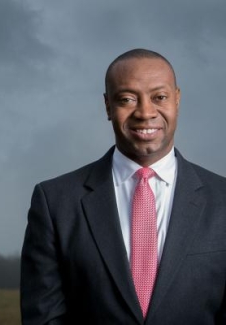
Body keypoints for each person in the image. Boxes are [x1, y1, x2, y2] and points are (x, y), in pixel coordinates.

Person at [20, 49, 226, 325]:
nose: (145, 112)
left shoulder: (222, 200)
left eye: (159, 97)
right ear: (108, 106)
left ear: (177, 100)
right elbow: (44, 318)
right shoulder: (55, 201)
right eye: (127, 99)